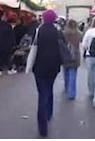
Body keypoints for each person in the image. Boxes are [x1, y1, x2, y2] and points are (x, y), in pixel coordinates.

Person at [31, 9, 62, 137]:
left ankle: (42, 125)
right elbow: (63, 46)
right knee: (49, 89)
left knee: (42, 93)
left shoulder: (39, 31)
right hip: (53, 66)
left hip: (39, 66)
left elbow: (33, 46)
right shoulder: (58, 31)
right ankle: (49, 113)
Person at [62, 19, 82, 100]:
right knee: (73, 74)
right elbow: (82, 41)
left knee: (65, 72)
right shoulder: (78, 34)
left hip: (65, 55)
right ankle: (71, 93)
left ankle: (66, 87)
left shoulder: (64, 33)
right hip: (75, 56)